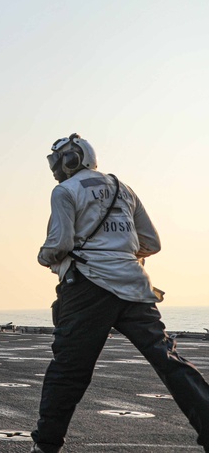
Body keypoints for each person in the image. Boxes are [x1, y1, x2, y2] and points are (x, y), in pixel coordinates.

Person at [31, 133, 209, 453]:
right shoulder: (122, 188)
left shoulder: (64, 191)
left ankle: (45, 445)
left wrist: (44, 258)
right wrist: (120, 253)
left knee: (68, 371)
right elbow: (152, 243)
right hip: (135, 287)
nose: (55, 169)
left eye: (57, 161)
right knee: (170, 361)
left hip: (87, 288)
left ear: (72, 159)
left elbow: (59, 245)